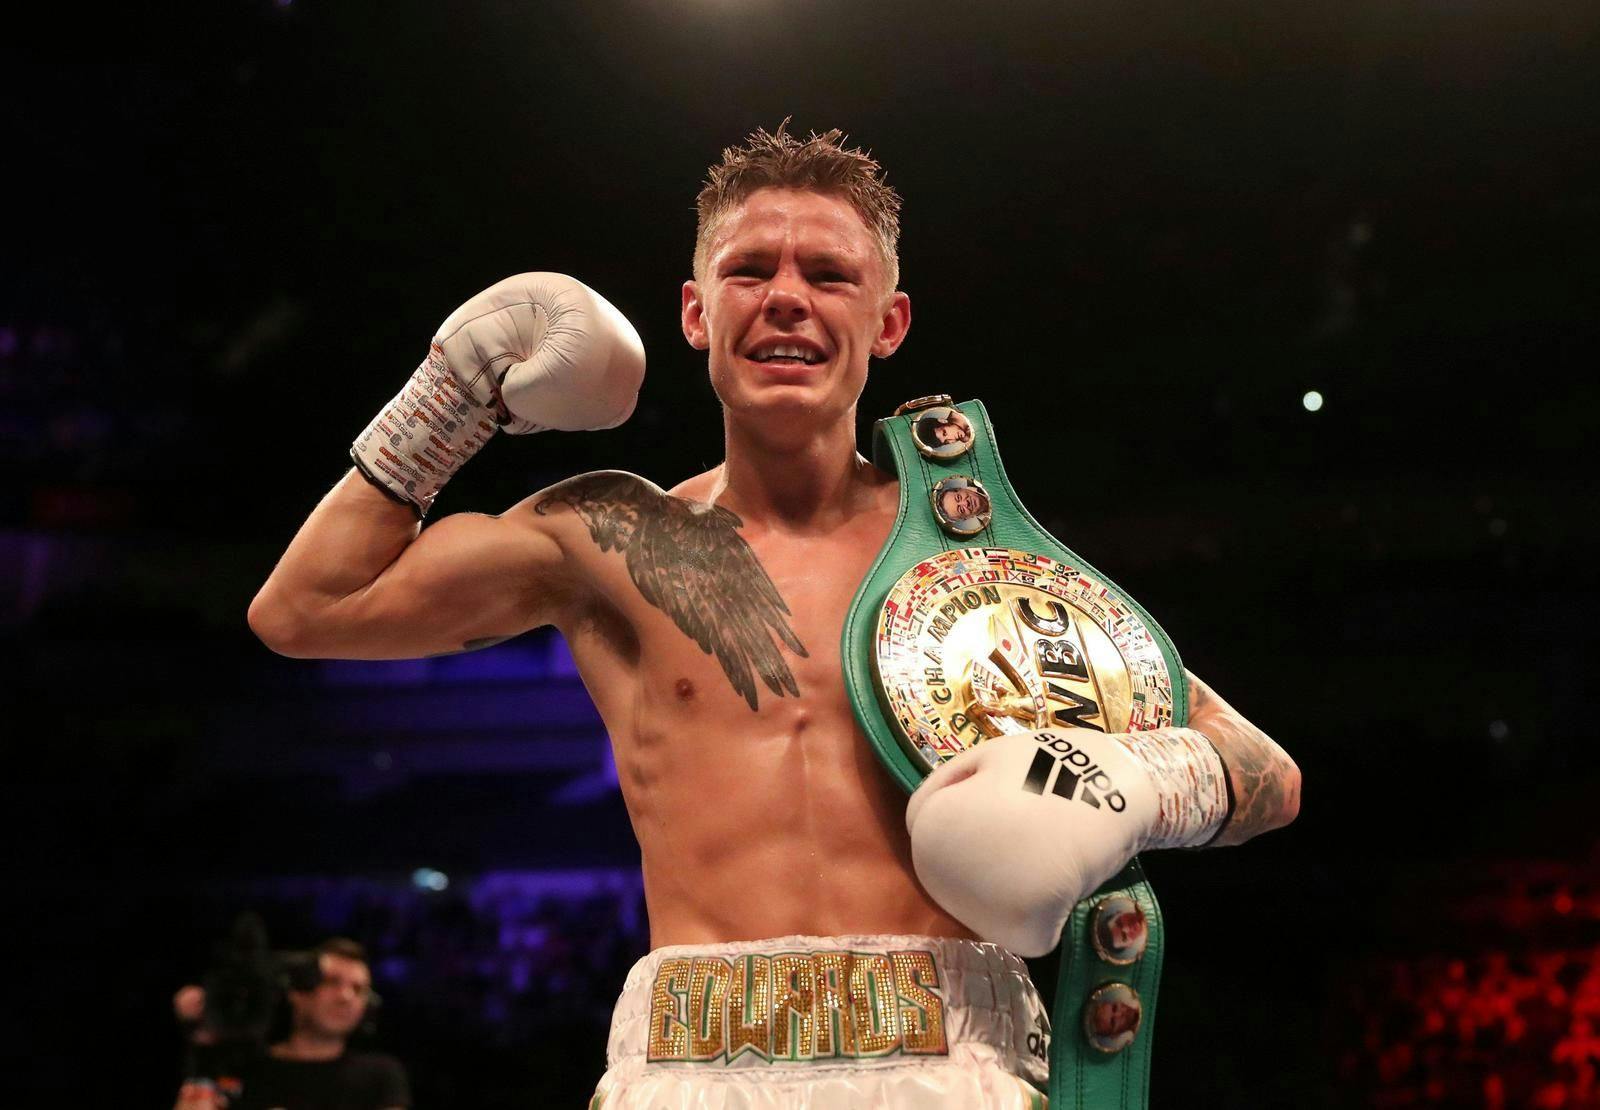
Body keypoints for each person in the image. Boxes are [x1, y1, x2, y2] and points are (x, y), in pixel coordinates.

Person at [248, 122, 1302, 1108]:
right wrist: (453, 394)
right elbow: (307, 608)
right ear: (695, 313)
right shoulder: (606, 539)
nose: (787, 298)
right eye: (750, 270)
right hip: (688, 1065)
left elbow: (1263, 770)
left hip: (954, 1060)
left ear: (887, 323)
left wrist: (1128, 779)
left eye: (829, 275)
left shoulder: (975, 568)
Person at [173, 939, 409, 1110]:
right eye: (331, 982)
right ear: (297, 990)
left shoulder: (380, 1075)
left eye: (358, 989)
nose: (345, 997)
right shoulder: (244, 1068)